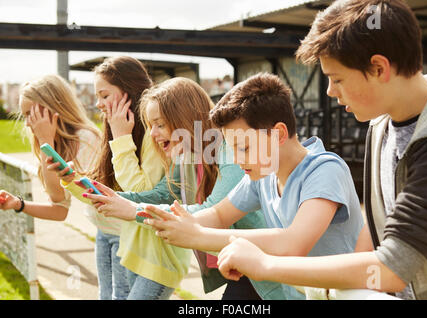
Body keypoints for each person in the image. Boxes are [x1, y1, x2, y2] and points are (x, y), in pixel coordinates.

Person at [217, 0, 427, 300]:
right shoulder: (380, 124)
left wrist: (266, 265)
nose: (329, 91)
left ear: (379, 68)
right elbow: (377, 228)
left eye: (337, 78)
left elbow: (392, 268)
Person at [117, 72, 365, 300]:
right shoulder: (263, 177)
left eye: (243, 147)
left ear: (278, 134)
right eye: (231, 148)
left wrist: (200, 235)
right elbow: (218, 213)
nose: (236, 159)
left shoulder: (325, 170)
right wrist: (168, 220)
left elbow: (293, 242)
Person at [81, 77, 286, 300]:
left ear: (185, 118)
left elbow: (214, 210)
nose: (153, 134)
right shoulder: (189, 156)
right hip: (242, 265)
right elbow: (163, 195)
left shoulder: (230, 151)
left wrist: (133, 210)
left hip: (268, 265)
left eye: (160, 124)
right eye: (151, 126)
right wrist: (110, 197)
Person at [56, 56, 165, 300]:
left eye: (104, 96)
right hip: (115, 234)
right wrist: (70, 179)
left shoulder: (153, 133)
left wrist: (120, 138)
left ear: (130, 90)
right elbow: (104, 194)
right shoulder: (115, 129)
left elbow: (140, 192)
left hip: (146, 246)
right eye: (97, 97)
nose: (99, 104)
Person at [0, 74, 100, 222]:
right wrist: (17, 204)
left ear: (53, 109)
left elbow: (95, 198)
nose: (27, 123)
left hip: (121, 232)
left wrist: (45, 140)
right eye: (24, 115)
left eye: (30, 114)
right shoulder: (51, 144)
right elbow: (59, 209)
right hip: (102, 231)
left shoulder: (87, 139)